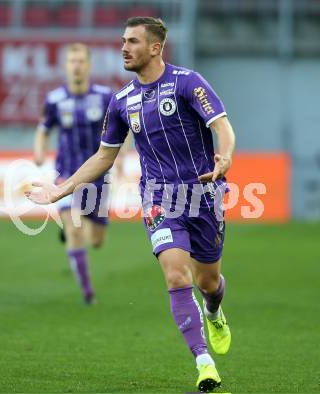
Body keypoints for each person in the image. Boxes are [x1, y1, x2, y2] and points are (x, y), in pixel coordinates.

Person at [27, 17, 235, 392]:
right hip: (158, 197)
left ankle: (215, 310)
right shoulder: (121, 101)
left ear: (155, 47)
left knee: (208, 281)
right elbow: (103, 156)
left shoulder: (188, 82)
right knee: (175, 274)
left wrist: (225, 156)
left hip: (204, 194)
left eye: (133, 42)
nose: (124, 47)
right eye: (123, 41)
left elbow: (221, 125)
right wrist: (61, 191)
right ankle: (204, 363)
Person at [33, 43, 114, 305]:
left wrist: (121, 156)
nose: (76, 65)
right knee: (75, 230)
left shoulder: (104, 96)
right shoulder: (55, 99)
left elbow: (118, 130)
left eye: (81, 61)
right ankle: (88, 293)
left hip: (98, 176)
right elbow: (43, 129)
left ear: (89, 65)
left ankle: (73, 231)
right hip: (66, 175)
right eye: (72, 61)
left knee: (96, 240)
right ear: (66, 66)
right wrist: (39, 152)